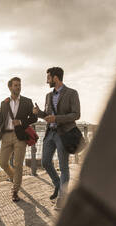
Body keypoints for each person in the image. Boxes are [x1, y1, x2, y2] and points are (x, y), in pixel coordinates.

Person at [33, 67, 80, 209]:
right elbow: (47, 115)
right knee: (46, 162)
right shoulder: (48, 96)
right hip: (50, 133)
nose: (47, 80)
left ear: (55, 78)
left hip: (63, 133)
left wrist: (57, 118)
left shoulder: (72, 93)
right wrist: (39, 113)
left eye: (48, 77)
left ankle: (62, 198)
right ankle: (58, 185)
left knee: (63, 166)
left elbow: (76, 115)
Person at [0, 77, 38, 202]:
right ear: (10, 87)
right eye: (15, 85)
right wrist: (2, 130)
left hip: (20, 136)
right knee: (3, 163)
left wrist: (20, 121)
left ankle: (15, 190)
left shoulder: (27, 101)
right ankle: (15, 178)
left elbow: (33, 118)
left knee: (18, 164)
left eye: (19, 85)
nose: (18, 87)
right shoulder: (4, 103)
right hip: (6, 136)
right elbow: (0, 120)